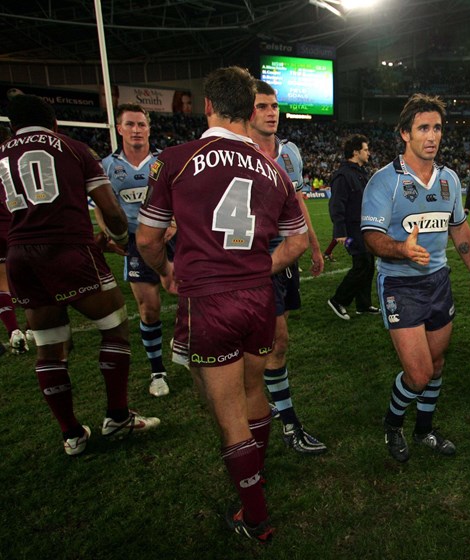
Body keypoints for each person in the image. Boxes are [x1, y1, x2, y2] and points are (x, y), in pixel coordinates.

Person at [136, 66, 308, 542]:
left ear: (208, 105)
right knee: (255, 390)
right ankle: (258, 471)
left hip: (208, 298)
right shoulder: (275, 169)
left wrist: (167, 271)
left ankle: (255, 517)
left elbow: (148, 238)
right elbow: (295, 244)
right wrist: (258, 270)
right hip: (258, 297)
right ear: (250, 109)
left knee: (225, 408)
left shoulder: (176, 158)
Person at [3, 94, 160, 456]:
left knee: (49, 346)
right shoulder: (73, 149)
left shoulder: (1, 154)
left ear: (12, 127)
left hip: (20, 256)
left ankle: (72, 434)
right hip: (67, 249)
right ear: (55, 123)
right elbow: (111, 209)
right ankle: (118, 417)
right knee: (115, 325)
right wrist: (118, 239)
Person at [361, 93, 470, 463]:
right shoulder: (386, 182)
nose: (432, 136)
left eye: (437, 128)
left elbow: (459, 229)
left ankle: (424, 429)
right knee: (418, 373)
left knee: (438, 364)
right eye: (423, 128)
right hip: (399, 283)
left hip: (438, 281)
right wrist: (402, 249)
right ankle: (393, 423)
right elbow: (371, 237)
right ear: (405, 134)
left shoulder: (449, 180)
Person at [248, 80, 326, 455]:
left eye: (274, 105)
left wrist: (312, 245)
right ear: (248, 111)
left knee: (276, 343)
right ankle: (288, 422)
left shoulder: (290, 153)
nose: (272, 112)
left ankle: (271, 400)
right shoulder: (237, 151)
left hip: (286, 257)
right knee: (276, 344)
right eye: (263, 106)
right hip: (256, 260)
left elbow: (297, 202)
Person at [99, 104, 174, 397]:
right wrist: (109, 234)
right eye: (130, 124)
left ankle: (181, 339)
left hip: (168, 238)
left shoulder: (162, 162)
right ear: (120, 129)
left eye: (141, 125)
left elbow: (178, 198)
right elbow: (102, 206)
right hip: (133, 241)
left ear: (149, 129)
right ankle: (158, 371)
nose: (136, 130)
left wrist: (176, 223)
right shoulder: (107, 166)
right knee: (150, 308)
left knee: (188, 296)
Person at [327, 134, 379, 319]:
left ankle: (363, 305)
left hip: (364, 227)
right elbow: (336, 205)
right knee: (362, 264)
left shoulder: (359, 173)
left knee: (368, 264)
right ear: (356, 152)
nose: (368, 153)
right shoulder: (343, 175)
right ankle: (339, 300)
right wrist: (340, 231)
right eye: (366, 149)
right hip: (351, 231)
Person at [0, 202, 28, 356]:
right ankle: (31, 328)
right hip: (14, 229)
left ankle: (14, 330)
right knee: (26, 277)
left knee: (2, 284)